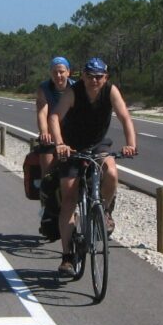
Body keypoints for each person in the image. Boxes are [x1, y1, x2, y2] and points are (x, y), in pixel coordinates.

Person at [49, 57, 138, 277]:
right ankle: (67, 256)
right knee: (69, 197)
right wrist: (59, 143)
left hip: (98, 144)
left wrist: (131, 144)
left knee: (112, 172)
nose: (94, 80)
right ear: (83, 76)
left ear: (105, 77)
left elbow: (125, 117)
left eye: (99, 77)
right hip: (71, 146)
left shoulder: (110, 91)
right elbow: (54, 117)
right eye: (90, 76)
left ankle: (104, 211)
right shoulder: (74, 91)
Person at [34, 56, 75, 177]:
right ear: (50, 73)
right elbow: (42, 112)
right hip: (52, 133)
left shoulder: (76, 88)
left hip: (71, 132)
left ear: (68, 72)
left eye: (61, 72)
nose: (58, 75)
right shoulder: (44, 88)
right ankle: (46, 190)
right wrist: (44, 132)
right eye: (54, 72)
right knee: (47, 173)